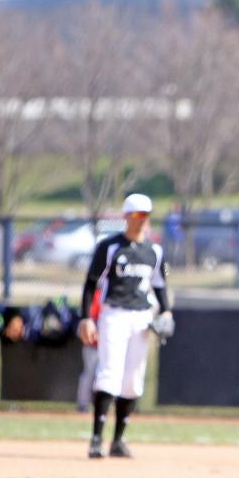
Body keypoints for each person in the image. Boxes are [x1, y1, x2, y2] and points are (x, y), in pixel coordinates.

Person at [77, 193, 173, 458]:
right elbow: (90, 283)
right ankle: (96, 439)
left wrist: (166, 312)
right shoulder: (109, 247)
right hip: (114, 314)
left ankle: (118, 440)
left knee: (133, 380)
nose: (142, 220)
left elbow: (160, 284)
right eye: (137, 215)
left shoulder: (155, 251)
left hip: (141, 318)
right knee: (109, 372)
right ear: (126, 216)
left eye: (146, 215)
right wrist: (86, 317)